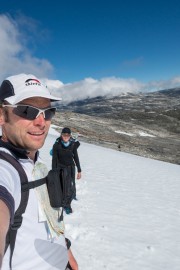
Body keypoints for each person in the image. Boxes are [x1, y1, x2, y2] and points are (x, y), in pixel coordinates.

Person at [0, 73, 78, 270]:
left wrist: (65, 250)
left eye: (48, 112)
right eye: (27, 111)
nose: (41, 122)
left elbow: (47, 217)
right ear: (1, 115)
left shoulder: (36, 161)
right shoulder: (6, 169)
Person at [52, 127, 81, 214]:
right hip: (61, 167)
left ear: (70, 136)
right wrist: (54, 171)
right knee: (65, 186)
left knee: (72, 183)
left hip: (71, 167)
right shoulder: (57, 145)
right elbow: (54, 159)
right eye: (64, 135)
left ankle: (73, 195)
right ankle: (67, 205)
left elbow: (75, 157)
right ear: (61, 135)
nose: (66, 137)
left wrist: (79, 170)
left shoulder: (72, 145)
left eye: (68, 135)